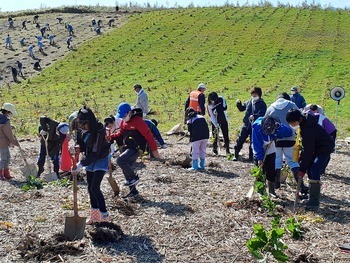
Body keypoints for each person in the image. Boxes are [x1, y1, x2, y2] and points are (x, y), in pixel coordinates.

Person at [286, 109, 335, 207]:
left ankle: (314, 201)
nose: (292, 125)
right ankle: (311, 195)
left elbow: (308, 151)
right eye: (290, 123)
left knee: (315, 169)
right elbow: (307, 147)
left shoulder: (308, 128)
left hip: (324, 148)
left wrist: (302, 169)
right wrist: (303, 162)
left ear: (299, 119)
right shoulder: (304, 124)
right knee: (310, 169)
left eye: (293, 122)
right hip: (316, 148)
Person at [110, 103, 160, 198]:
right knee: (126, 168)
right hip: (128, 147)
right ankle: (134, 191)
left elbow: (148, 135)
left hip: (137, 148)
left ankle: (134, 178)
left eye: (124, 115)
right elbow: (120, 133)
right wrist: (110, 137)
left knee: (120, 160)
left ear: (129, 112)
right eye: (121, 116)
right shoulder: (123, 122)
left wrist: (154, 149)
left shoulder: (138, 121)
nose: (123, 118)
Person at [71, 107, 111, 224]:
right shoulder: (80, 129)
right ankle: (95, 216)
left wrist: (81, 164)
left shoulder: (99, 131)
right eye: (80, 124)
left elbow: (96, 152)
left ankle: (104, 215)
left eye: (85, 124)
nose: (82, 127)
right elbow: (81, 144)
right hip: (89, 158)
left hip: (100, 159)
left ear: (90, 122)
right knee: (89, 188)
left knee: (95, 187)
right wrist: (76, 148)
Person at [264, 92, 308, 193]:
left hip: (276, 140)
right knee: (293, 162)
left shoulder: (271, 107)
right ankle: (301, 186)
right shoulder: (291, 105)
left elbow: (265, 122)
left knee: (277, 161)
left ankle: (276, 185)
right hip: (290, 138)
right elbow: (300, 116)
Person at [252, 116, 293, 197]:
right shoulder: (256, 127)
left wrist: (279, 129)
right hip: (259, 147)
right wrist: (260, 158)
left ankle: (271, 191)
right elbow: (257, 144)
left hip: (270, 146)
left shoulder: (276, 126)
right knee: (260, 170)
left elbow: (289, 132)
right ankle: (260, 191)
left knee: (271, 169)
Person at [233, 87, 267, 161]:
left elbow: (263, 114)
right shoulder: (249, 102)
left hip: (255, 126)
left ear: (259, 95)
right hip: (246, 124)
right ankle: (235, 155)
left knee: (253, 141)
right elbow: (242, 108)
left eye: (255, 94)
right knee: (240, 139)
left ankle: (251, 158)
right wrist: (238, 104)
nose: (254, 95)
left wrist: (254, 116)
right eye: (253, 94)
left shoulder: (262, 104)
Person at [306, 104, 337, 175]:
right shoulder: (311, 116)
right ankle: (319, 168)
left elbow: (320, 129)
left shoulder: (317, 117)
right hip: (326, 132)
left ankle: (322, 169)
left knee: (326, 150)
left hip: (330, 132)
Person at [185, 107, 209, 171]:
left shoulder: (190, 120)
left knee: (195, 151)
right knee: (203, 150)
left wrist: (191, 139)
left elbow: (190, 130)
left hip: (197, 136)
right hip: (206, 135)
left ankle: (195, 166)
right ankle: (202, 166)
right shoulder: (201, 117)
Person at [0, 103, 20, 180]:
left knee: (7, 157)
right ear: (8, 112)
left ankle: (6, 173)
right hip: (3, 143)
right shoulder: (6, 121)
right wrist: (15, 142)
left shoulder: (0, 118)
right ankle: (1, 174)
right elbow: (9, 135)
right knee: (5, 158)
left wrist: (10, 127)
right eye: (11, 113)